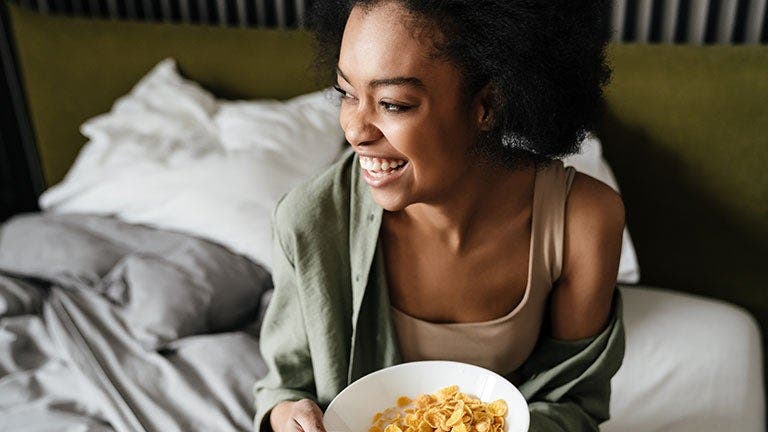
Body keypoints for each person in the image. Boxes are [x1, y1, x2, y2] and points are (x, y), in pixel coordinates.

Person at [254, 0, 625, 431]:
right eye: (347, 94)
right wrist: (287, 416)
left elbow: (573, 401)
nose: (355, 130)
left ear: (487, 103)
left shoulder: (581, 221)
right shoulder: (310, 222)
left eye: (393, 104)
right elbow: (285, 389)